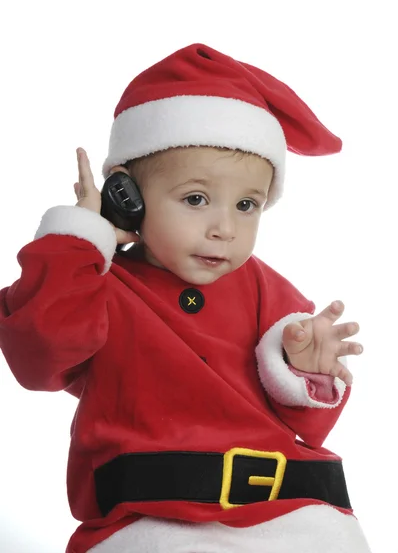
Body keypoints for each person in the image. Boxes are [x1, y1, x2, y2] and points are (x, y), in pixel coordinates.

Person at [0, 43, 371, 553]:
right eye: (195, 199)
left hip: (294, 513)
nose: (224, 229)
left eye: (247, 205)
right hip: (151, 524)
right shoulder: (95, 283)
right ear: (125, 196)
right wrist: (79, 241)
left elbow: (307, 424)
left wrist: (306, 370)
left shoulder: (267, 287)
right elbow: (39, 360)